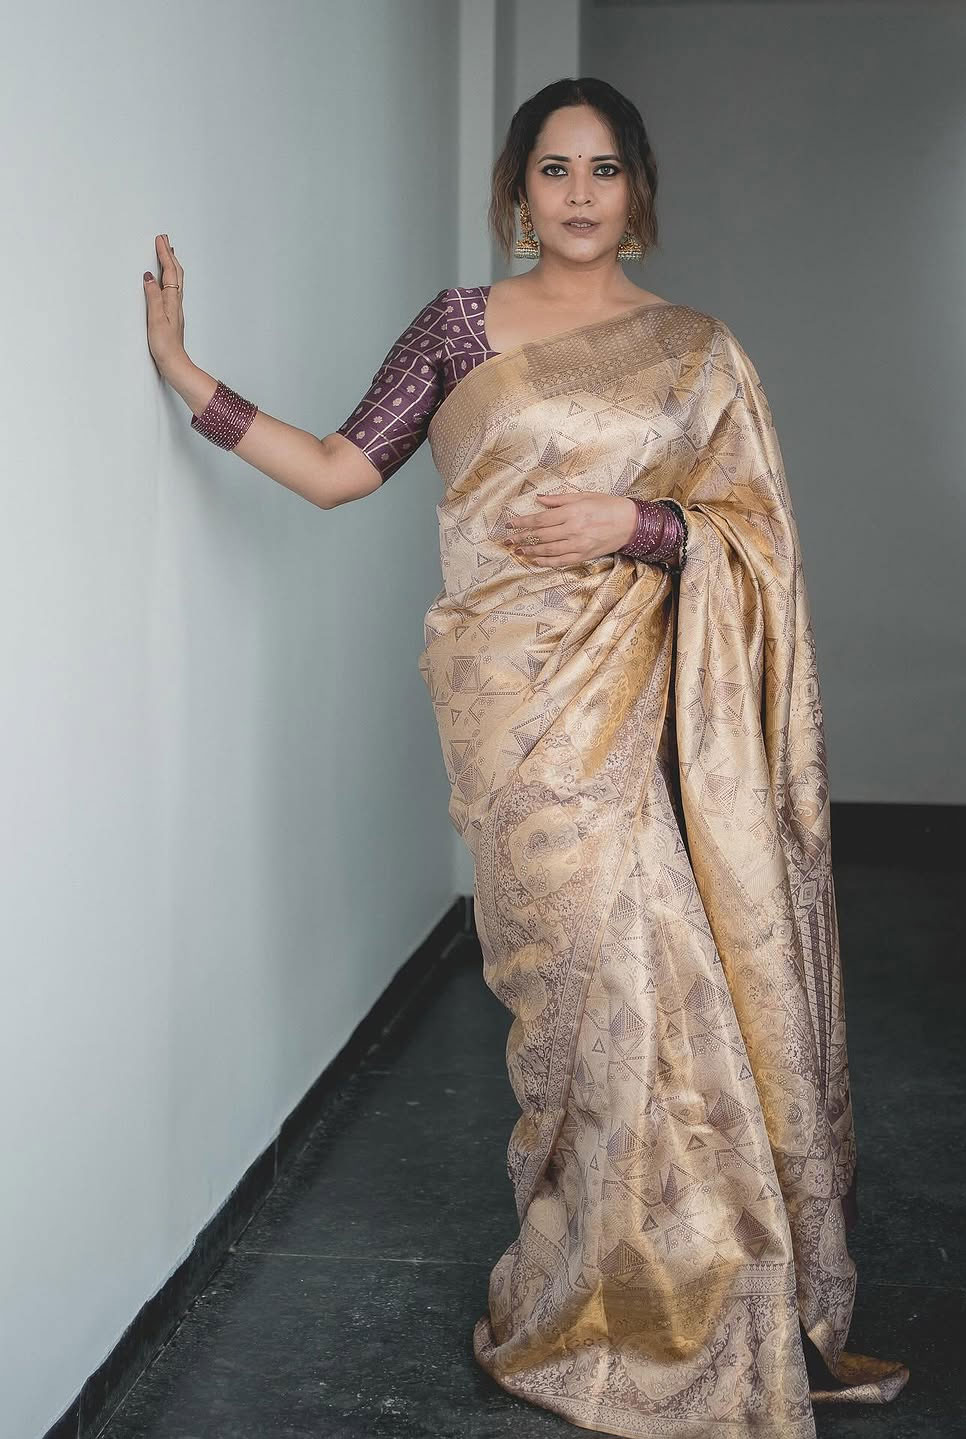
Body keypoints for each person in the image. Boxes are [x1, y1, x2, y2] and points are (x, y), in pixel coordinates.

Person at [144, 74, 910, 1439]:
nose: (578, 194)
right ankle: (598, 1292)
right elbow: (336, 471)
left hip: (639, 714)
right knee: (581, 1004)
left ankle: (700, 1300)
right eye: (554, 169)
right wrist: (189, 378)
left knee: (665, 990)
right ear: (516, 190)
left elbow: (757, 541)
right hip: (511, 714)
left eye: (604, 169)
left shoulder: (698, 352)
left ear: (639, 190)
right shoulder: (459, 327)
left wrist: (639, 524)